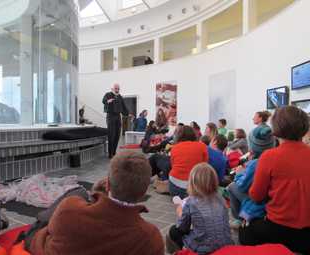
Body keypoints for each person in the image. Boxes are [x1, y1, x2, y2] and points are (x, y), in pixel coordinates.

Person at [27, 151, 164, 255]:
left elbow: (47, 234)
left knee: (77, 192)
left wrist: (94, 197)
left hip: (40, 239)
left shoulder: (69, 209)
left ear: (108, 184)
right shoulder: (150, 238)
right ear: (144, 190)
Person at [239, 106, 310, 255]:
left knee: (244, 231)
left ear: (276, 128)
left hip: (279, 230)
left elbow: (256, 195)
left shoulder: (270, 156)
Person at [166, 163, 233, 254]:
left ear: (193, 183)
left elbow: (182, 228)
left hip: (203, 249)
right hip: (226, 245)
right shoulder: (221, 199)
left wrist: (180, 212)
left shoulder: (191, 202)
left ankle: (181, 252)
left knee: (174, 231)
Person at [227, 124, 275, 228]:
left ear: (253, 146)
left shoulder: (256, 163)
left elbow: (243, 186)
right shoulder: (274, 158)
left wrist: (240, 173)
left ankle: (239, 219)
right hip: (272, 201)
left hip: (260, 204)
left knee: (231, 187)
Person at [169, 126, 208, 199]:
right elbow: (204, 165)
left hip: (175, 184)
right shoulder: (202, 146)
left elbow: (172, 165)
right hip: (195, 185)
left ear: (179, 135)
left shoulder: (175, 147)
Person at [102, 84, 129, 158]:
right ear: (112, 89)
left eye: (118, 89)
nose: (117, 90)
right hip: (110, 116)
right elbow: (103, 100)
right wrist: (108, 101)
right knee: (111, 135)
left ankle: (114, 152)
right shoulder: (108, 94)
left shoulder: (120, 97)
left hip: (118, 116)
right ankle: (110, 153)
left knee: (117, 135)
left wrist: (128, 114)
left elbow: (124, 107)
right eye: (116, 88)